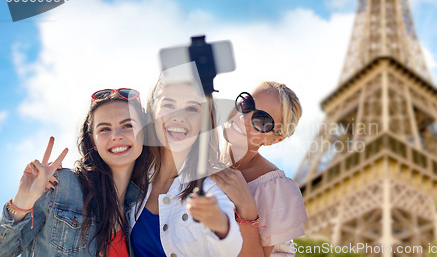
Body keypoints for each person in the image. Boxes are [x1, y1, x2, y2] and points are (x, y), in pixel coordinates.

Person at [0, 88, 151, 257]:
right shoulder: (59, 186)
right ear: (93, 141)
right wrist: (21, 202)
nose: (116, 135)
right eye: (104, 129)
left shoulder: (143, 208)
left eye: (127, 125)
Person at [129, 76, 243, 257]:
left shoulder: (211, 185)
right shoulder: (132, 175)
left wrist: (221, 224)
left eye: (191, 108)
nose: (179, 117)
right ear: (152, 112)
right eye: (169, 105)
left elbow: (230, 248)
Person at [210, 81, 308, 257]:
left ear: (274, 140)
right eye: (247, 104)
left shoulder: (276, 190)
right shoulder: (197, 159)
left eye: (262, 120)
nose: (244, 117)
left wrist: (247, 211)